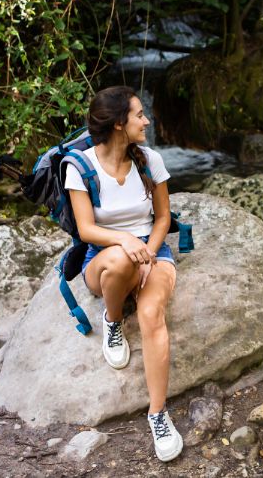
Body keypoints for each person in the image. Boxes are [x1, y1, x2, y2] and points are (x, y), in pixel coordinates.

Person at [63, 85, 183, 462]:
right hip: (103, 258)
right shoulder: (79, 167)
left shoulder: (150, 160)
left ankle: (158, 413)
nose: (146, 121)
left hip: (153, 250)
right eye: (139, 115)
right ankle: (112, 319)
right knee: (119, 260)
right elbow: (85, 229)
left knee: (151, 315)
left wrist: (147, 251)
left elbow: (163, 217)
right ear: (118, 124)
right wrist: (124, 242)